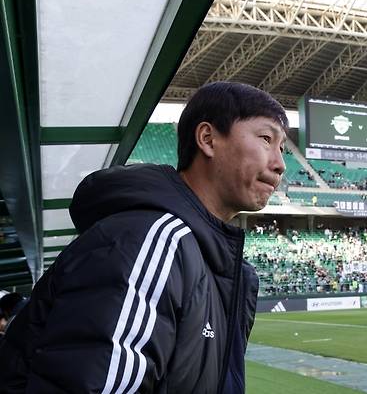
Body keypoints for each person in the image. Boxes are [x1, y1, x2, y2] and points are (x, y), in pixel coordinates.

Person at [0, 82, 288, 393]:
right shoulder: (151, 239)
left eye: (282, 148)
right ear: (207, 139)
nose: (280, 164)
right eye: (266, 139)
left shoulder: (209, 259)